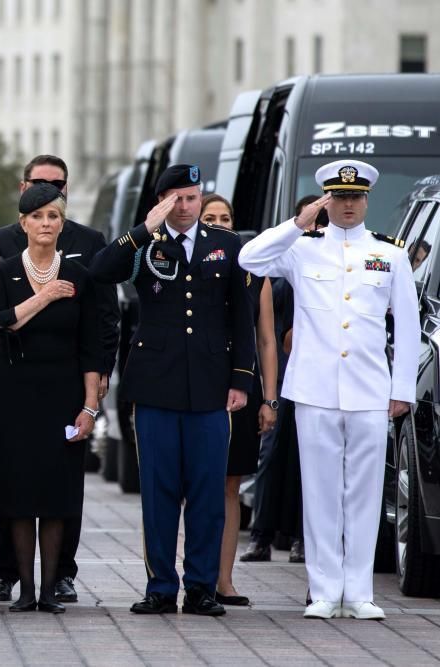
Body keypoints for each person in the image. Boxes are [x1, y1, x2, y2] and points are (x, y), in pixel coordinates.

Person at [239, 159, 418, 620]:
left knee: (363, 492)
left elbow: (409, 326)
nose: (348, 206)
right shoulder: (303, 247)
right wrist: (298, 222)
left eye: (355, 198)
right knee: (318, 492)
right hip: (315, 388)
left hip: (369, 388)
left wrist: (402, 390)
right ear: (327, 201)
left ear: (366, 201)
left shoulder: (390, 254)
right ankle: (323, 590)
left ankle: (358, 592)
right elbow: (250, 258)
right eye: (339, 197)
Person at [90, 164, 255, 616]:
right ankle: (161, 585)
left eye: (192, 197)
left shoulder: (226, 244)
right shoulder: (147, 244)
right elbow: (101, 272)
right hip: (157, 385)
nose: (186, 206)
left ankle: (201, 586)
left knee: (206, 492)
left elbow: (240, 318)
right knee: (159, 492)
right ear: (161, 201)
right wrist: (143, 229)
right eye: (176, 198)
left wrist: (242, 378)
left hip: (210, 386)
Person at [0, 154, 120, 604]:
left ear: (63, 223)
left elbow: (91, 347)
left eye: (54, 216)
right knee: (19, 491)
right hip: (14, 394)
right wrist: (42, 298)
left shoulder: (79, 275)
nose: (46, 223)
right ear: (23, 223)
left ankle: (49, 589)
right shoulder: (4, 271)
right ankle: (23, 588)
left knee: (59, 493)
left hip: (62, 394)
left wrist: (88, 406)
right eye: (38, 216)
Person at [199, 194, 278, 606]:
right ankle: (195, 575)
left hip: (242, 390)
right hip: (198, 387)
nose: (218, 223)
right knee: (196, 486)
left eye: (224, 218)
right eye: (209, 217)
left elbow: (266, 339)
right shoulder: (191, 266)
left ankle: (224, 579)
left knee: (231, 485)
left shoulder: (254, 270)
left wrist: (269, 399)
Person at [241, 194, 319, 565]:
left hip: (320, 378)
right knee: (271, 456)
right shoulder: (287, 268)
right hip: (288, 373)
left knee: (308, 459)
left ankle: (304, 536)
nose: (316, 231)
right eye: (310, 223)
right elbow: (276, 333)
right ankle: (261, 534)